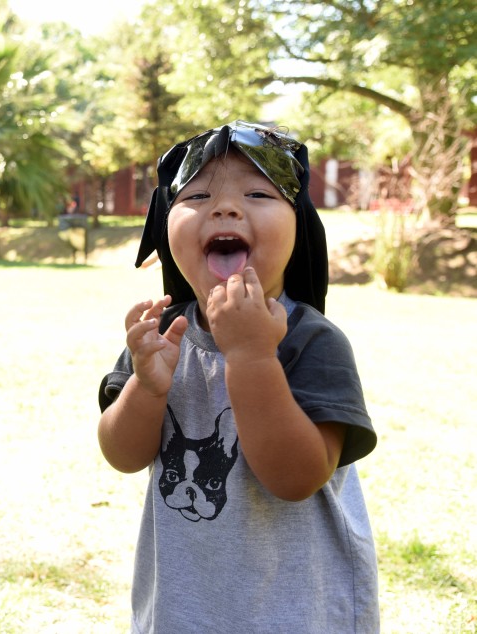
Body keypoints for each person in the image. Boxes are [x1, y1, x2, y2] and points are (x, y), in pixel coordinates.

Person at [97, 121, 378, 632]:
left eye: (256, 193)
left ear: (299, 227)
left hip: (297, 611)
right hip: (182, 607)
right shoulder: (163, 332)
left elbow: (296, 478)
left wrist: (252, 356)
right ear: (164, 226)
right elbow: (123, 455)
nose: (225, 208)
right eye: (198, 195)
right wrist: (146, 386)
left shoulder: (310, 341)